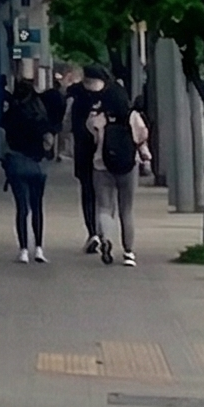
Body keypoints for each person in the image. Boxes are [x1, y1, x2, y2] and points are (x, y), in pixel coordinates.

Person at [87, 83, 150, 266]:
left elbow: (92, 134)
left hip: (102, 165)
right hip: (128, 165)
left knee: (104, 207)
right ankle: (129, 252)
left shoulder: (99, 118)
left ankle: (106, 239)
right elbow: (142, 137)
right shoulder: (134, 117)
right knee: (127, 209)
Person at [1, 77, 54, 263]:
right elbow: (49, 141)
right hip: (37, 164)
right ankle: (39, 248)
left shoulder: (11, 113)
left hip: (16, 163)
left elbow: (3, 136)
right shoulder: (39, 113)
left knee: (22, 208)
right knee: (37, 206)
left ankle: (23, 250)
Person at [64, 64, 109, 253]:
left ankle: (93, 233)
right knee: (106, 196)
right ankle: (105, 233)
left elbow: (66, 123)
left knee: (87, 192)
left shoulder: (75, 94)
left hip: (83, 150)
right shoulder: (110, 94)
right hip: (107, 152)